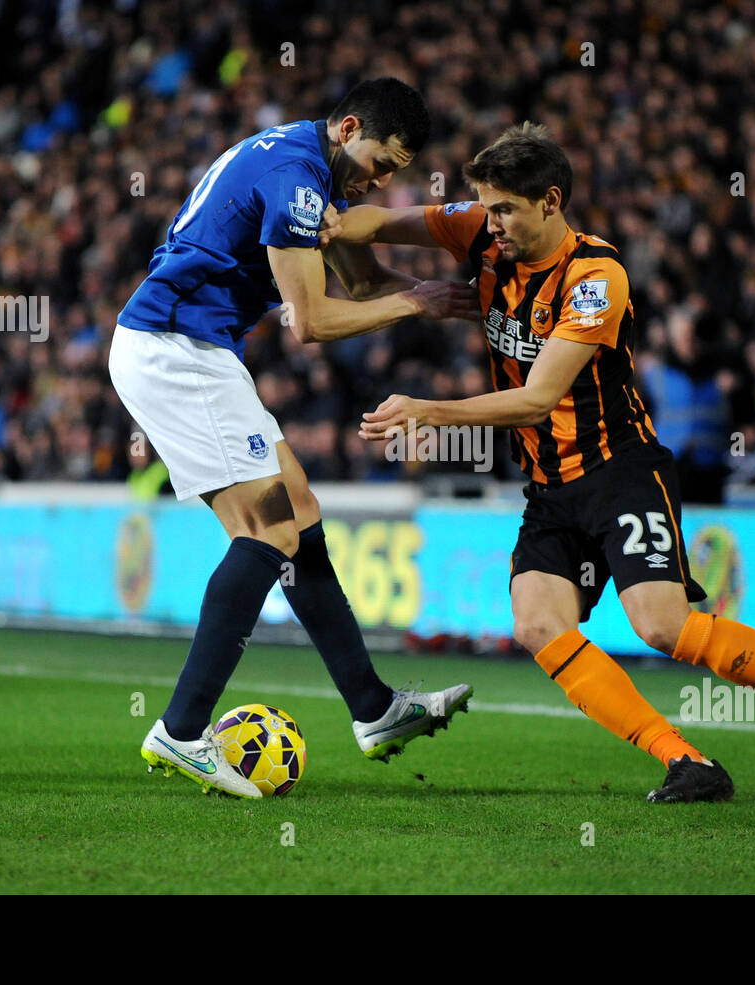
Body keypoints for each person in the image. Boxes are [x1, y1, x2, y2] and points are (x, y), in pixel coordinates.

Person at [337, 123, 755, 802]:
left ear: (551, 201)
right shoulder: (478, 231)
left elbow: (537, 398)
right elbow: (371, 223)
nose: (489, 224)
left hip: (620, 471)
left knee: (663, 626)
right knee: (536, 622)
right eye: (485, 208)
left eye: (505, 210)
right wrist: (315, 214)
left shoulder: (595, 278)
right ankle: (687, 761)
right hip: (551, 486)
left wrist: (429, 411)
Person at [108, 78, 480, 799]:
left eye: (397, 170)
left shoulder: (314, 171)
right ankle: (182, 730)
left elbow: (365, 283)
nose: (383, 178)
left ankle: (374, 710)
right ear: (347, 128)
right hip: (177, 347)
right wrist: (417, 302)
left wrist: (443, 301)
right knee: (271, 530)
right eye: (381, 160)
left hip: (188, 347)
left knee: (298, 517)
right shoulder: (297, 179)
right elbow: (309, 321)